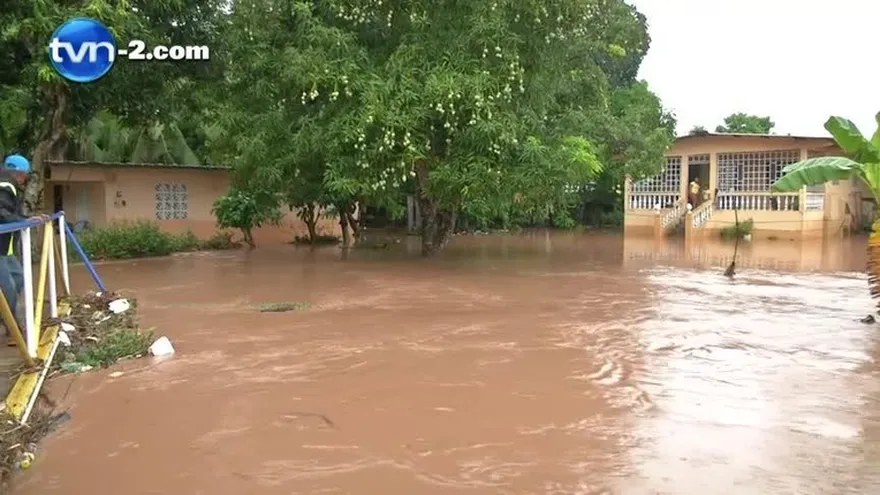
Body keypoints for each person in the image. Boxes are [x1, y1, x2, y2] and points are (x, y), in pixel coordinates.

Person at [0, 154, 47, 346]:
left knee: (19, 277)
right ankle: (13, 329)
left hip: (6, 248)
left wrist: (28, 218)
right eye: (25, 175)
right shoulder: (5, 184)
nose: (25, 179)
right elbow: (1, 212)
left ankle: (6, 318)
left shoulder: (9, 185)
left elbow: (10, 212)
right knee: (9, 287)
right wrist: (23, 221)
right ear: (20, 173)